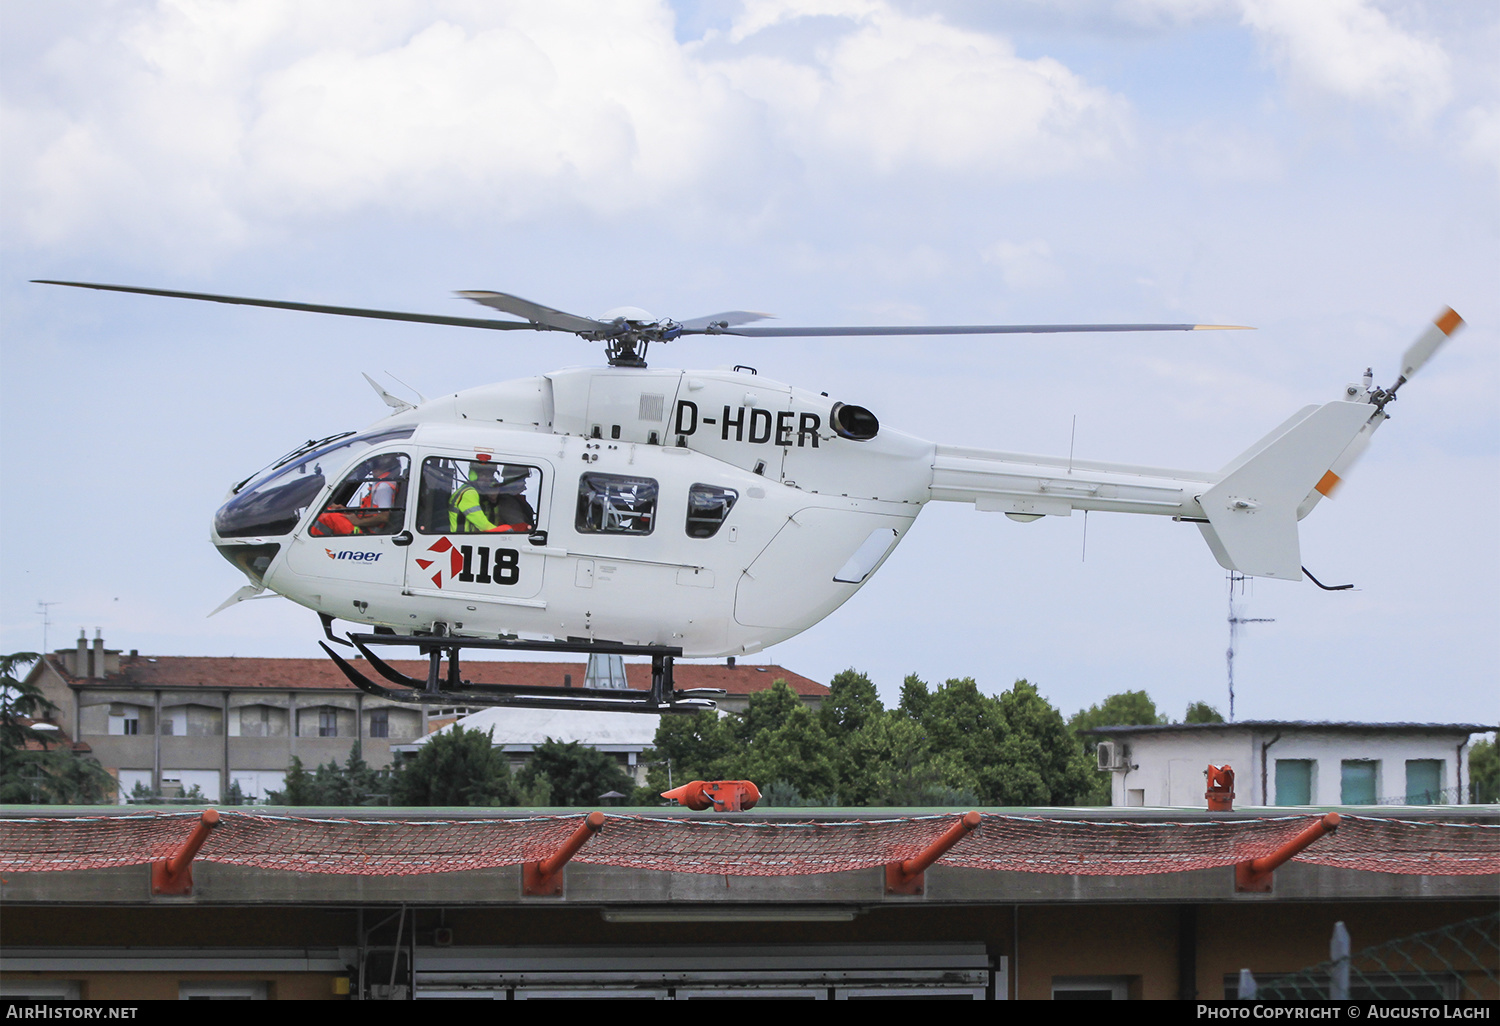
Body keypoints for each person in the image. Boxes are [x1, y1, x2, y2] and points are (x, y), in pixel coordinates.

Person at [448, 462, 535, 534]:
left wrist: (493, 501)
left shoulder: (482, 495)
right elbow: (483, 525)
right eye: (483, 475)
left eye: (490, 475)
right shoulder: (469, 493)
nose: (488, 479)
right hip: (462, 541)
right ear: (473, 475)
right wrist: (506, 530)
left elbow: (494, 520)